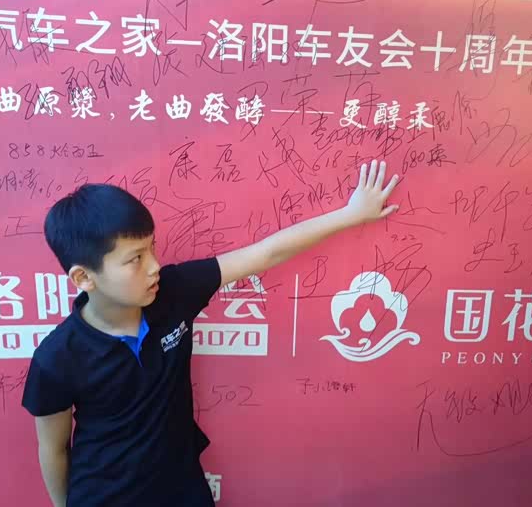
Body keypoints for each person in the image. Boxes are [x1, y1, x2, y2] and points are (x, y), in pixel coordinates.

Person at [21, 160, 399, 506]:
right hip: (104, 496)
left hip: (182, 488)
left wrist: (350, 215)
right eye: (135, 259)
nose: (154, 266)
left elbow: (265, 254)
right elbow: (53, 449)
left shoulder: (173, 291)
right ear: (83, 277)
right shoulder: (56, 358)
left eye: (152, 248)